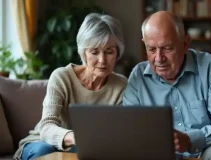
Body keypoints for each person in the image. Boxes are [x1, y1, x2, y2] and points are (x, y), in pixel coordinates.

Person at [123, 11, 211, 160]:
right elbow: (131, 132)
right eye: (151, 49)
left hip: (207, 151)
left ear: (185, 43)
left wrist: (190, 140)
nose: (159, 58)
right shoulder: (138, 77)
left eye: (167, 48)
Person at [14, 13, 127, 160]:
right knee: (45, 151)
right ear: (84, 53)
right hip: (41, 143)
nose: (102, 60)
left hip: (86, 148)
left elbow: (116, 132)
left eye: (109, 52)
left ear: (117, 53)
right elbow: (47, 126)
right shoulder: (61, 77)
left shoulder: (121, 85)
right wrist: (76, 138)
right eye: (94, 52)